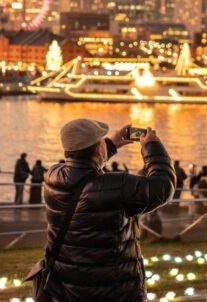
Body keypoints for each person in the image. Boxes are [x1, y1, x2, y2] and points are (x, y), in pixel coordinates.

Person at [30, 119, 175, 300]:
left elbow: (82, 167)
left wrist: (111, 144)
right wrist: (153, 147)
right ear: (99, 150)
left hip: (70, 287)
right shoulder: (116, 186)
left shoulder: (53, 176)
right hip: (114, 289)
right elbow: (163, 187)